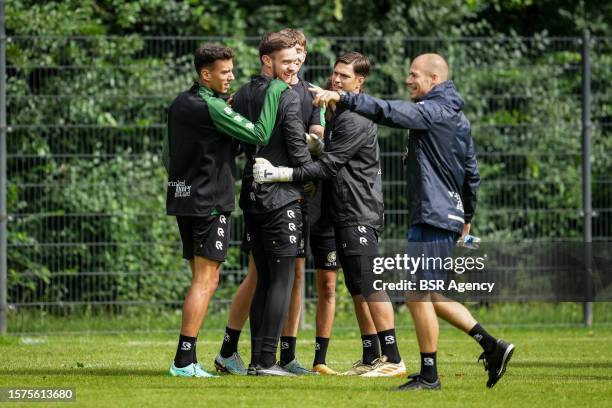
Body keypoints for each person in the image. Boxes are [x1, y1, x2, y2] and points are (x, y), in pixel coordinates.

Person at [308, 53, 514, 390]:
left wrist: (344, 97)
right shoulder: (457, 118)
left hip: (433, 214)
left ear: (433, 80)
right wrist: (467, 216)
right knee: (430, 294)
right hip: (444, 214)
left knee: (417, 293)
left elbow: (391, 111)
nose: (408, 80)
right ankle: (492, 346)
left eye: (413, 75)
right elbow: (472, 172)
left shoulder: (433, 111)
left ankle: (429, 375)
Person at [254, 51, 406, 378]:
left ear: (360, 82)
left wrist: (281, 173)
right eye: (335, 74)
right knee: (357, 285)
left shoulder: (355, 117)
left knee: (369, 282)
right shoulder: (340, 112)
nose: (336, 80)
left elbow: (329, 165)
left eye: (345, 77)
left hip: (358, 210)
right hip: (345, 209)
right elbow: (330, 157)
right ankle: (371, 357)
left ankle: (393, 358)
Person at [165, 43, 288, 377]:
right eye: (224, 72)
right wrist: (276, 89)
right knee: (208, 280)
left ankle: (191, 358)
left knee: (200, 280)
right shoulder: (212, 107)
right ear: (205, 74)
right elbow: (260, 133)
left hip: (182, 197)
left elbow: (169, 154)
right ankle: (184, 361)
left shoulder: (179, 103)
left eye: (232, 70)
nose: (231, 76)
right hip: (208, 202)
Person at [215, 29, 325, 376]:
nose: (293, 68)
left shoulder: (243, 93)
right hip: (281, 198)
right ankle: (266, 361)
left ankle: (255, 361)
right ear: (268, 60)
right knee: (281, 280)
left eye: (296, 61)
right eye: (287, 62)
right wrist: (320, 163)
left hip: (251, 195)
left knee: (263, 278)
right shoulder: (288, 96)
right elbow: (297, 153)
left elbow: (235, 142)